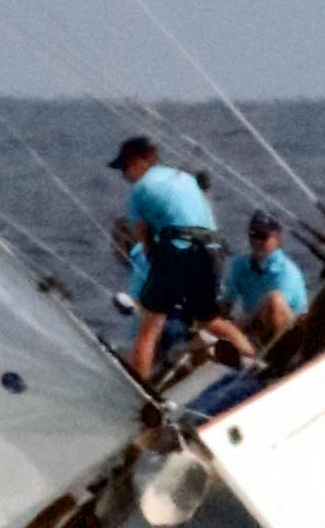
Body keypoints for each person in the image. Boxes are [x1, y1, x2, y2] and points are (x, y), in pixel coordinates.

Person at [109, 135, 225, 385]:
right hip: (208, 250)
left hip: (177, 254)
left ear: (139, 161)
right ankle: (254, 358)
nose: (124, 175)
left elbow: (145, 243)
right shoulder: (184, 178)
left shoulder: (138, 192)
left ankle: (142, 394)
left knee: (148, 331)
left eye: (125, 167)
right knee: (211, 321)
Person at [208, 210, 307, 365]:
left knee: (274, 300)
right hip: (254, 329)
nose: (257, 241)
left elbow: (271, 308)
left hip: (288, 330)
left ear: (277, 239)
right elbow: (226, 301)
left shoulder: (287, 272)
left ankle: (278, 362)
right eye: (253, 235)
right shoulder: (240, 265)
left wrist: (235, 328)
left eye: (263, 236)